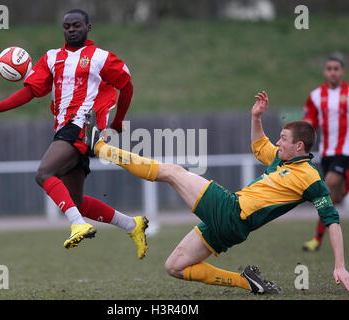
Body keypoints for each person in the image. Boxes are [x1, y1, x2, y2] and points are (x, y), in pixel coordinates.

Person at [85, 91, 349, 293]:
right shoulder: (281, 158)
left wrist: (339, 265)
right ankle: (249, 283)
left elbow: (331, 220)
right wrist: (256, 117)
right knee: (174, 267)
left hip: (233, 212)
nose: (278, 142)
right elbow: (259, 145)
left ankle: (99, 148)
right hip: (234, 227)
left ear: (299, 145)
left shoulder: (311, 178)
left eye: (283, 138)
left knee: (173, 172)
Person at [0, 9, 148, 258]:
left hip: (84, 126)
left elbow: (126, 86)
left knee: (44, 173)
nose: (71, 30)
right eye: (67, 26)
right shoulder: (52, 58)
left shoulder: (100, 57)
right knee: (75, 202)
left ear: (88, 28)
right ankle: (133, 225)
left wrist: (118, 121)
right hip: (66, 128)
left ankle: (78, 225)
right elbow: (31, 91)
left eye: (76, 25)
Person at [302, 56, 349, 252]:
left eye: (336, 68)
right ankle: (319, 239)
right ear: (325, 72)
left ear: (342, 72)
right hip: (328, 154)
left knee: (326, 191)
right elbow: (310, 120)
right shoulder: (315, 95)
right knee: (335, 199)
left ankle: (316, 240)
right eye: (329, 68)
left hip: (345, 152)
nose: (333, 72)